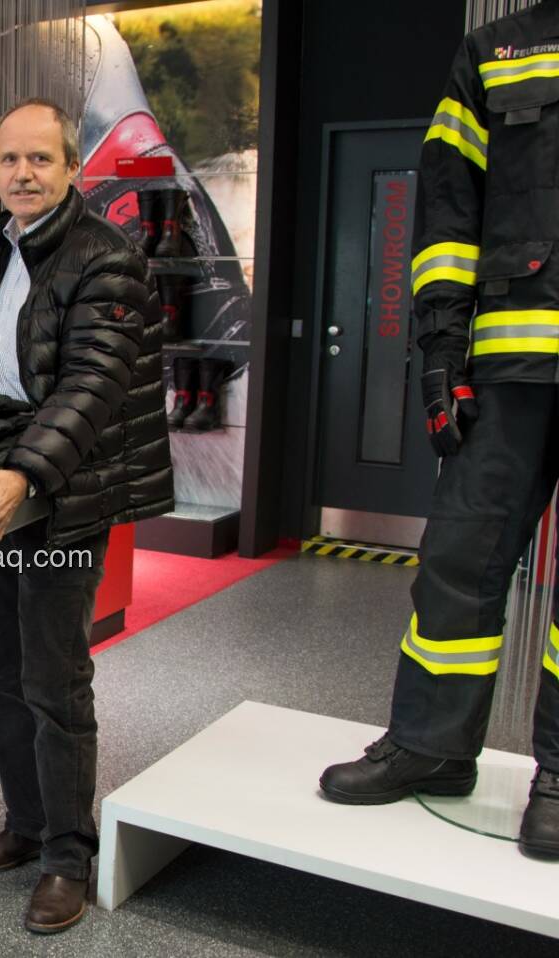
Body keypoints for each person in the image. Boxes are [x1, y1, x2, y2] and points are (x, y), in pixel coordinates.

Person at [318, 7, 559, 861]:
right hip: (506, 370)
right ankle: (432, 746)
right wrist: (441, 354)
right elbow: (449, 212)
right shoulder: (497, 50)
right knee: (458, 560)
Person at [0, 99, 170, 934]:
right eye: (10, 160)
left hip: (62, 497)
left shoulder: (106, 258)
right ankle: (27, 823)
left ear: (73, 167)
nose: (23, 173)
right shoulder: (3, 248)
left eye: (40, 159)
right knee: (3, 668)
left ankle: (70, 855)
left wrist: (25, 473)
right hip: (0, 494)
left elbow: (90, 387)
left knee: (56, 682)